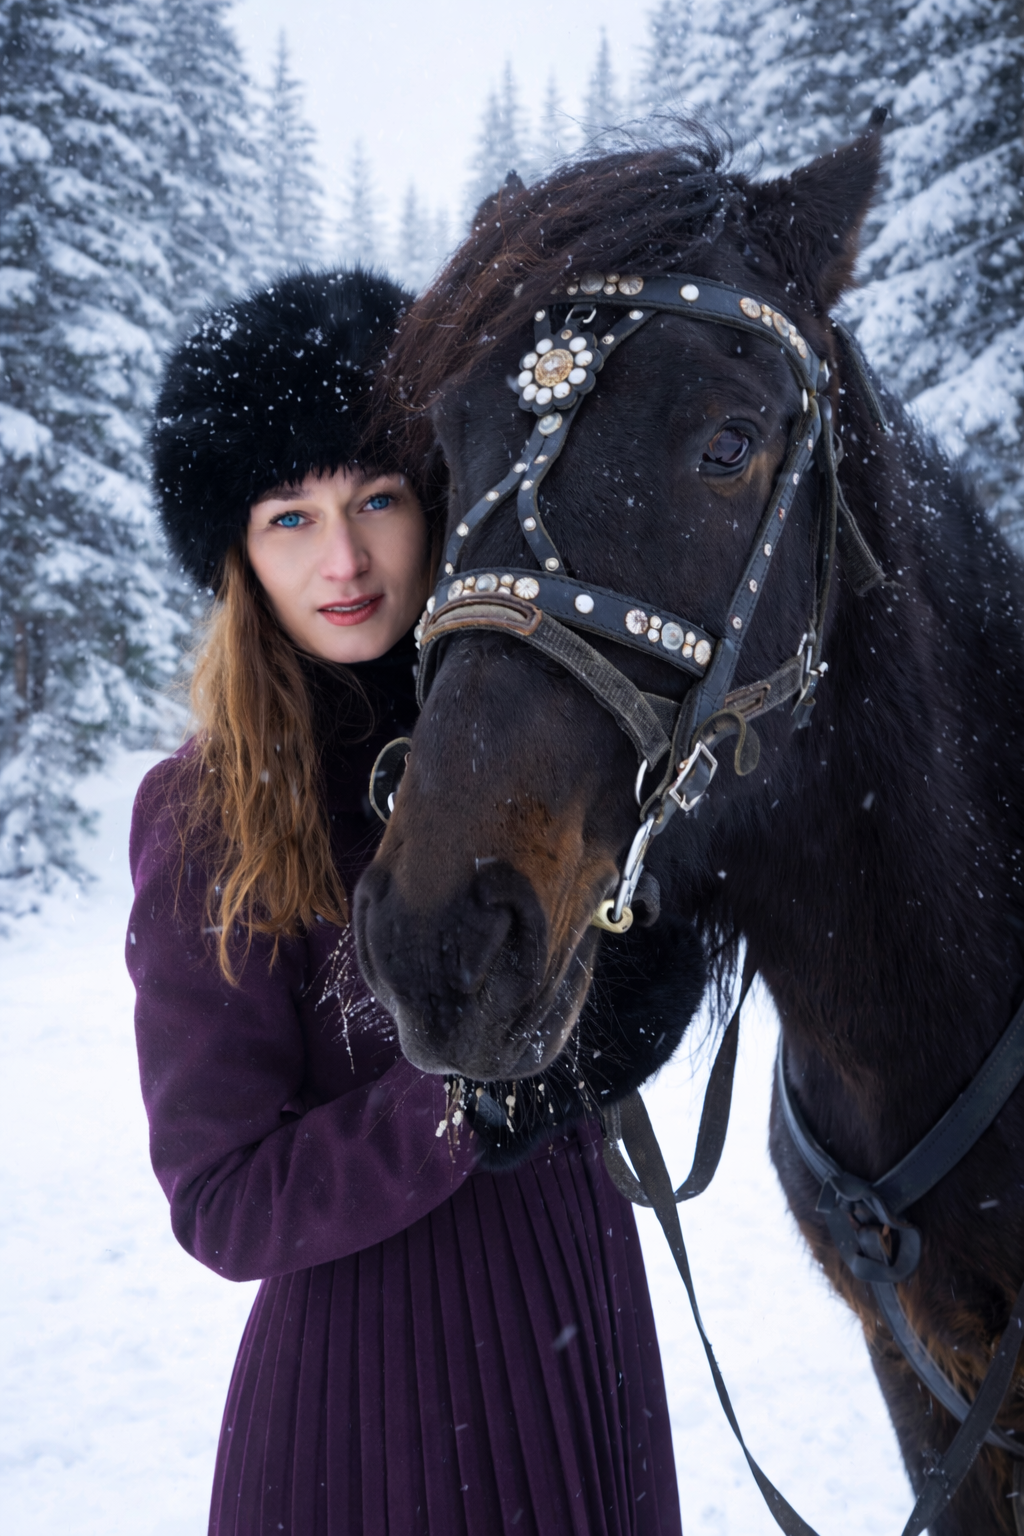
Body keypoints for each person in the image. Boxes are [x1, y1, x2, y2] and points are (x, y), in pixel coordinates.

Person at [128, 267, 696, 1535]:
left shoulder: (536, 752)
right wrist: (472, 1097)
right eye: (289, 517)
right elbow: (222, 1199)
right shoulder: (207, 812)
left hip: (582, 1312)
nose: (343, 558)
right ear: (236, 554)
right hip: (372, 1393)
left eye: (375, 498)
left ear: (436, 503)